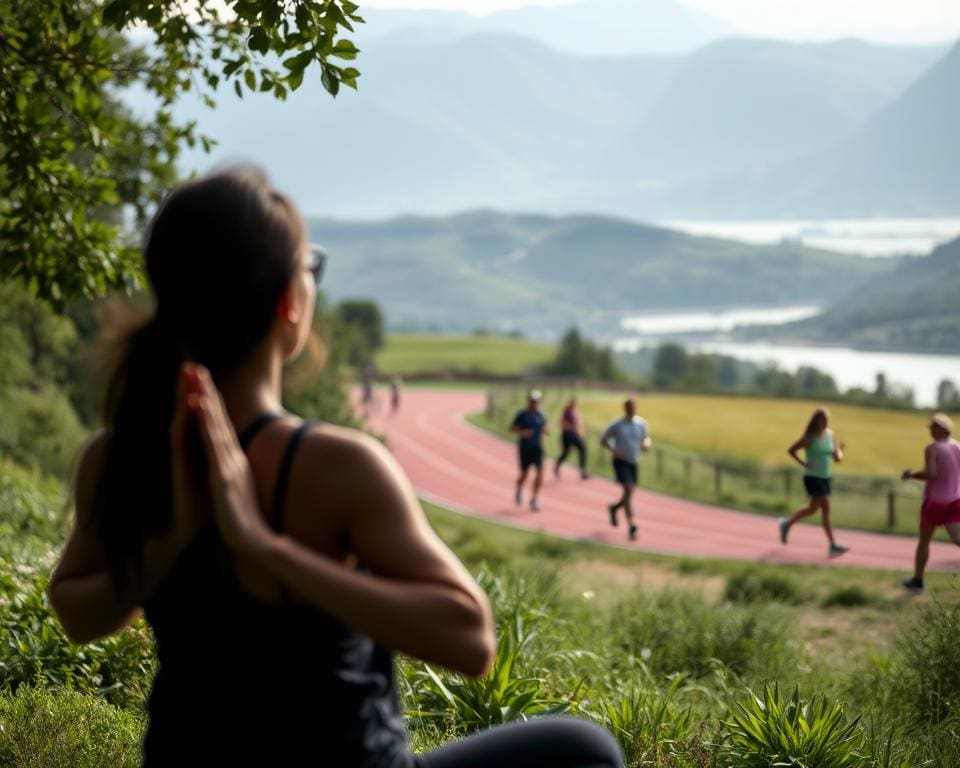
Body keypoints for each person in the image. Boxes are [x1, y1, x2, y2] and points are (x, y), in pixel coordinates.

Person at [47, 167, 623, 768]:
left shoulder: (116, 454)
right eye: (309, 266)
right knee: (586, 747)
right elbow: (470, 639)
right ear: (289, 303)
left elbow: (76, 611)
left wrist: (170, 544)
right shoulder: (337, 466)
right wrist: (267, 548)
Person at [900, 412, 960, 593]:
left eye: (932, 427)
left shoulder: (932, 448)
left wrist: (911, 475)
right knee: (958, 538)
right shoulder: (958, 446)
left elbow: (931, 474)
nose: (930, 431)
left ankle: (918, 580)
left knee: (924, 541)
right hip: (956, 499)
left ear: (941, 428)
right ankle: (917, 580)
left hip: (935, 501)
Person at [779, 408, 848, 557]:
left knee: (812, 510)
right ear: (815, 421)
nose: (825, 422)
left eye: (826, 419)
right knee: (825, 508)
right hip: (812, 477)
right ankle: (833, 545)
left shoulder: (830, 434)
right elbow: (791, 450)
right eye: (822, 419)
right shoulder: (809, 437)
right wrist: (804, 464)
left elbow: (837, 457)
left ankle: (786, 524)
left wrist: (840, 451)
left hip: (825, 477)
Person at [600, 398, 650, 541]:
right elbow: (604, 440)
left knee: (629, 493)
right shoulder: (617, 425)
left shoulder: (641, 424)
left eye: (633, 406)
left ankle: (614, 508)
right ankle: (631, 525)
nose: (631, 409)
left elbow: (646, 439)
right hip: (620, 461)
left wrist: (646, 444)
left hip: (633, 461)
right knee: (628, 489)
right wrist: (612, 449)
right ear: (624, 408)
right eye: (628, 407)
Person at [510, 389, 549, 512]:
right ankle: (519, 489)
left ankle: (534, 499)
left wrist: (545, 434)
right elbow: (512, 429)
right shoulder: (522, 414)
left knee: (540, 474)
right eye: (532, 401)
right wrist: (522, 432)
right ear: (529, 401)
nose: (534, 403)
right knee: (525, 474)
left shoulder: (541, 415)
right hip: (525, 448)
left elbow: (545, 430)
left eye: (536, 401)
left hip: (538, 449)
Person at [554, 397, 589, 480]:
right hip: (568, 435)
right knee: (570, 452)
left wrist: (580, 432)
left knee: (579, 449)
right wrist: (570, 428)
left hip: (574, 434)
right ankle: (582, 471)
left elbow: (578, 424)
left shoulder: (576, 412)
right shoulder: (567, 411)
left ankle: (582, 471)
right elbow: (563, 423)